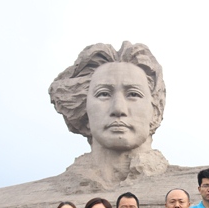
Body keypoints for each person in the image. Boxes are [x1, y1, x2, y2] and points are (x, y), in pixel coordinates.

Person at [49, 42, 169, 186]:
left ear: (156, 109)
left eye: (133, 94)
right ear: (83, 109)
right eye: (104, 94)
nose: (118, 109)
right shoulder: (32, 195)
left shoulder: (190, 187)